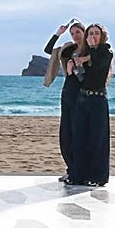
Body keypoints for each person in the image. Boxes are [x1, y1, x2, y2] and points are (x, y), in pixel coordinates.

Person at [68, 23, 114, 187]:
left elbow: (100, 59)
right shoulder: (84, 53)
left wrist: (85, 58)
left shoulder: (105, 51)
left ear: (102, 36)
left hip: (98, 100)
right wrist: (73, 68)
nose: (93, 36)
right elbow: (83, 79)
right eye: (90, 34)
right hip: (82, 99)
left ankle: (98, 177)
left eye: (96, 33)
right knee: (79, 139)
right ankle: (77, 175)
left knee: (97, 139)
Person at [42, 19, 87, 182]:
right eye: (72, 33)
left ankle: (79, 170)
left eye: (78, 32)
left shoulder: (91, 51)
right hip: (68, 92)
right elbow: (48, 50)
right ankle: (71, 169)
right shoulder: (69, 49)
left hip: (83, 94)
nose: (75, 36)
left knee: (79, 134)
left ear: (84, 33)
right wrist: (58, 33)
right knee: (66, 134)